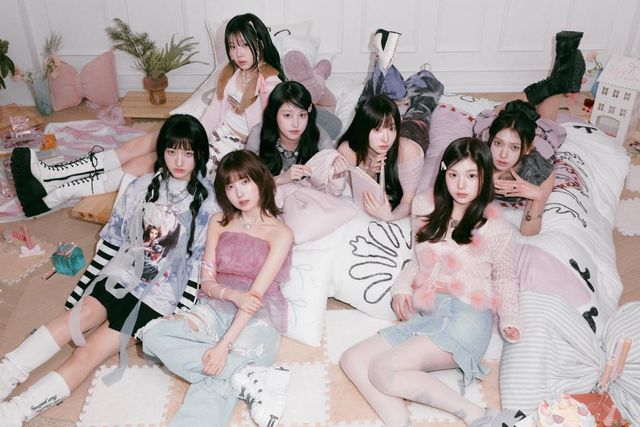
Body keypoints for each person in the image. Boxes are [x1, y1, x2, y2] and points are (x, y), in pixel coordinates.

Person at [0, 114, 217, 425]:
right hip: (121, 276)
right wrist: (83, 288)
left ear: (200, 154)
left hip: (157, 299)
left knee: (87, 353)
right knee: (77, 317)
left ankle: (15, 412)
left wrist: (178, 319)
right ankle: (6, 374)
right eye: (171, 151)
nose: (179, 161)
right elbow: (112, 242)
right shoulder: (141, 186)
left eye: (188, 153)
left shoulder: (210, 205)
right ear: (162, 151)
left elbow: (198, 268)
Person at [12, 12, 285, 217]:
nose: (238, 53)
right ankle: (51, 174)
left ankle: (55, 194)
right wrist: (186, 136)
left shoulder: (270, 83)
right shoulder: (232, 73)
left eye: (244, 45)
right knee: (147, 141)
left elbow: (264, 135)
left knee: (146, 163)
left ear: (260, 42)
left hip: (233, 153)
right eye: (233, 46)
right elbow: (211, 117)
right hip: (211, 138)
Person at [339, 137, 521, 427]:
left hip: (467, 317)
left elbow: (507, 279)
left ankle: (479, 416)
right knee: (352, 359)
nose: (461, 185)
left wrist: (510, 318)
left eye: (471, 176)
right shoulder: (424, 206)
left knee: (384, 370)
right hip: (429, 316)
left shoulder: (497, 229)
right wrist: (401, 289)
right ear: (443, 172)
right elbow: (418, 258)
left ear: (484, 178)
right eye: (454, 174)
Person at [139, 150, 294, 426]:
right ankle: (246, 375)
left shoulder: (280, 233)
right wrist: (231, 294)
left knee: (215, 381)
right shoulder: (219, 222)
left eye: (245, 182)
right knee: (152, 336)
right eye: (230, 186)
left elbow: (254, 297)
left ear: (260, 180)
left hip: (256, 317)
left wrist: (223, 346)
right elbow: (207, 282)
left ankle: (233, 371)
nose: (239, 192)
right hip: (215, 307)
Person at [474, 100, 559, 236]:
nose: (503, 155)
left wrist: (539, 197)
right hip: (494, 135)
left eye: (514, 147)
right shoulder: (476, 161)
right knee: (488, 121)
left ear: (527, 149)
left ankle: (551, 92)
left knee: (546, 125)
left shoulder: (540, 172)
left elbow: (528, 232)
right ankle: (524, 98)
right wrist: (482, 186)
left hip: (539, 147)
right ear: (490, 141)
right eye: (498, 143)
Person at [338, 94, 424, 221]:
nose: (386, 139)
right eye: (377, 130)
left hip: (414, 135)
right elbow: (361, 196)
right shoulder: (348, 151)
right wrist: (370, 174)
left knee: (419, 115)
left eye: (391, 129)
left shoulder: (410, 152)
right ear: (363, 128)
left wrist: (390, 216)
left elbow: (408, 202)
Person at [246, 80, 347, 185]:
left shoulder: (318, 134)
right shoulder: (258, 133)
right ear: (274, 114)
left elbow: (331, 184)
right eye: (287, 115)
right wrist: (280, 179)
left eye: (302, 115)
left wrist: (336, 173)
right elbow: (244, 177)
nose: (296, 124)